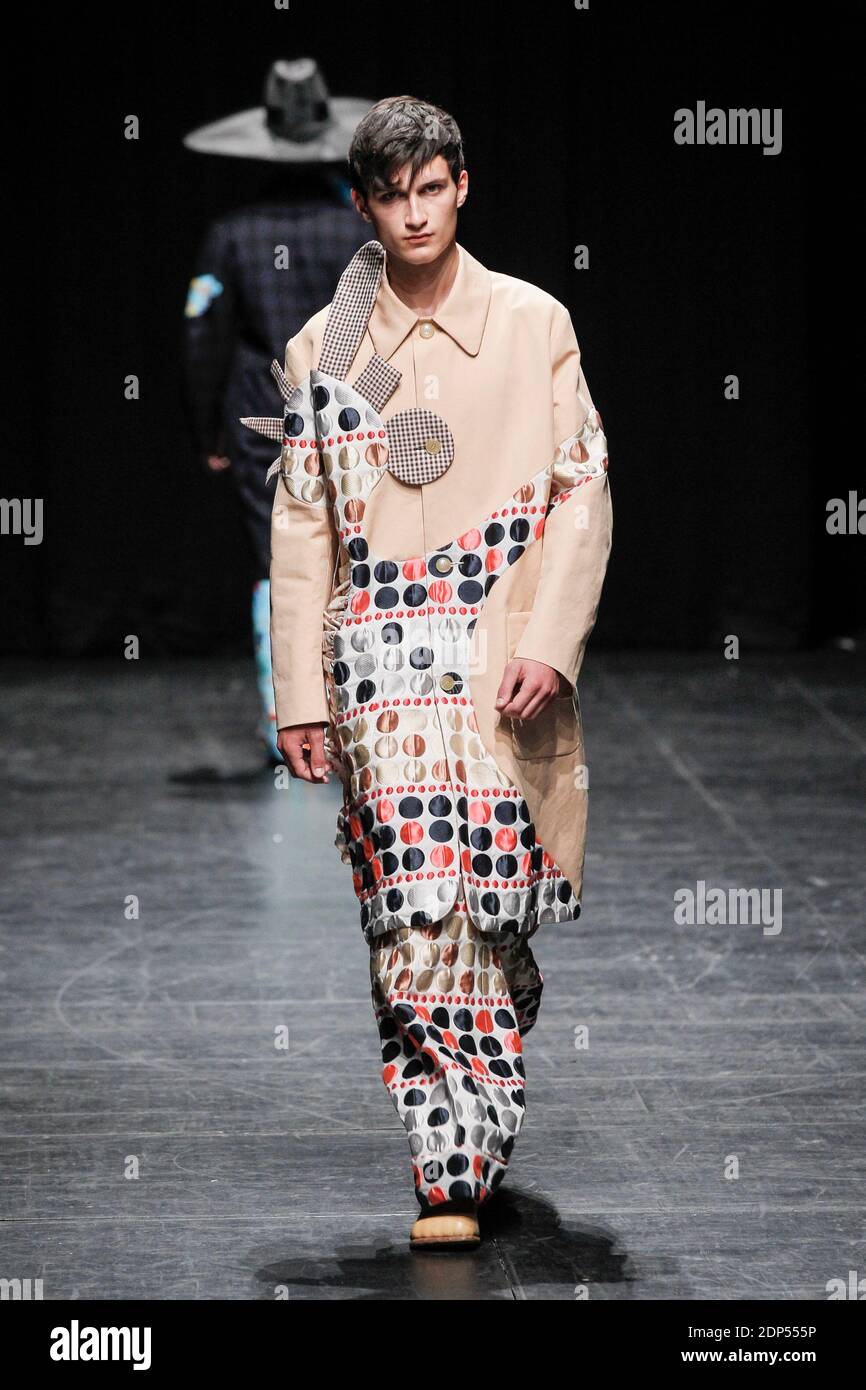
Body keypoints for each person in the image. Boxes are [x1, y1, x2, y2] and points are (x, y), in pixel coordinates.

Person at [241, 95, 613, 1248]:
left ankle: (487, 1060)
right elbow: (301, 526)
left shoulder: (530, 320)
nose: (411, 213)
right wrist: (298, 695)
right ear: (362, 203)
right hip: (379, 678)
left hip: (500, 659)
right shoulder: (323, 349)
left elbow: (579, 486)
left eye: (430, 188)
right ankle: (446, 1162)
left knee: (491, 917)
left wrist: (550, 639)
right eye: (389, 195)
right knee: (409, 915)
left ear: (461, 186)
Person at [181, 59, 372, 760]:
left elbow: (202, 336)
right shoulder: (362, 230)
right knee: (360, 557)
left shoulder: (233, 233)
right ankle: (361, 713)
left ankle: (283, 721)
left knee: (274, 561)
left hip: (263, 417)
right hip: (357, 415)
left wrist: (206, 429)